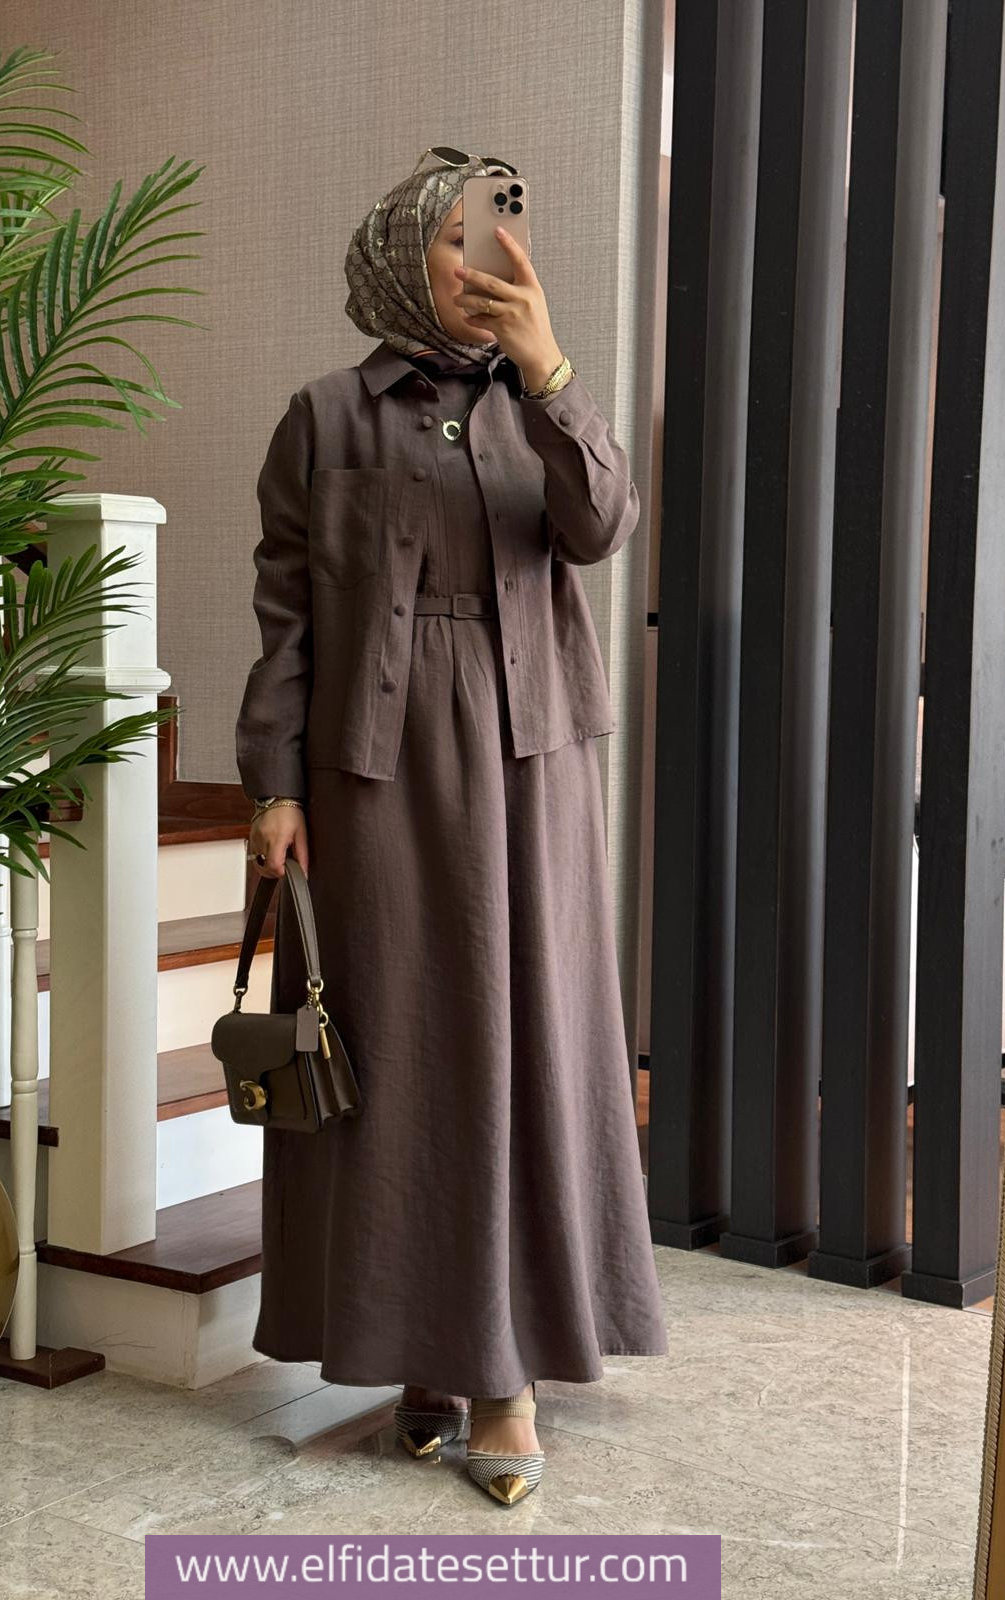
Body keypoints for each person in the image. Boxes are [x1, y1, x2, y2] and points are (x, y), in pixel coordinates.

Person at [235, 147, 668, 1507]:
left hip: (529, 765)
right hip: (372, 777)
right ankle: (419, 1356)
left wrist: (550, 372)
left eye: (501, 232)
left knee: (516, 1045)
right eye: (459, 233)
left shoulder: (541, 402)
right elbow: (288, 616)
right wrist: (273, 785)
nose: (488, 256)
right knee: (400, 1056)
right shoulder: (323, 417)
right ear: (400, 252)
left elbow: (603, 527)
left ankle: (504, 1376)